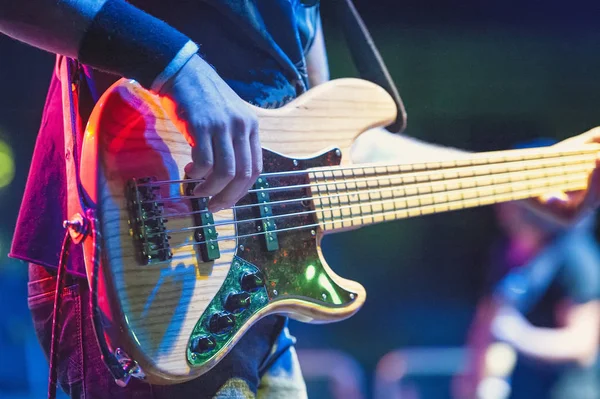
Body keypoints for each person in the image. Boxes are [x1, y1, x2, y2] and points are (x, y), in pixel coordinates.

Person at [2, 1, 600, 398]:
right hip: (133, 258)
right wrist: (177, 67)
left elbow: (344, 155)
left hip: (256, 313)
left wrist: (523, 178)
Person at [455, 197, 600, 399]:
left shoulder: (576, 257)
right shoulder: (507, 252)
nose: (504, 205)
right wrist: (474, 378)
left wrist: (521, 337)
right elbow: (487, 317)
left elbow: (582, 344)